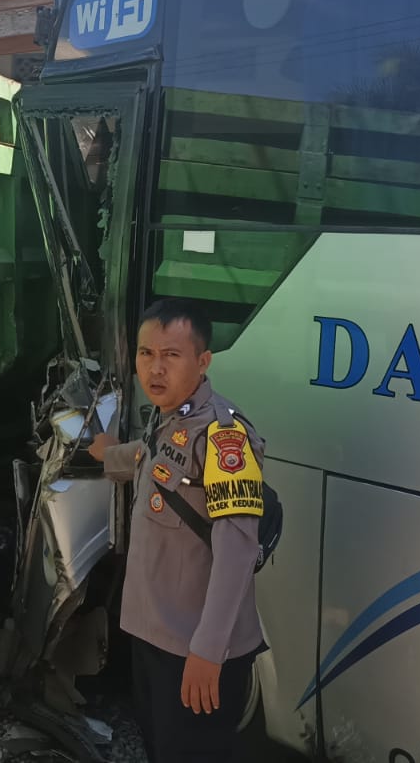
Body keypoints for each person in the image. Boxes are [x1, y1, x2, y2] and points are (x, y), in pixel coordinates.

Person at [89, 298, 268, 763]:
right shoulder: (170, 418)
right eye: (146, 354)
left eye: (171, 355)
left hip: (195, 650)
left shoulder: (224, 437)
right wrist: (106, 453)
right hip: (153, 636)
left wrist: (209, 652)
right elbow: (150, 460)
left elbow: (237, 551)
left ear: (203, 361)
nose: (155, 369)